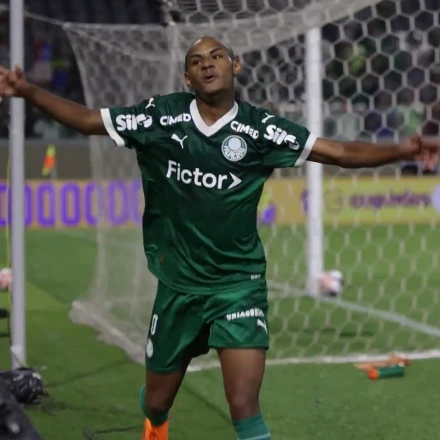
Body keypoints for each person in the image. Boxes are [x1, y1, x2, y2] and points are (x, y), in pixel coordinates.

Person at [0, 36, 438, 440]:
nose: (207, 64)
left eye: (216, 56)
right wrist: (28, 90)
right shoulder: (160, 116)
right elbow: (87, 120)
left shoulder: (261, 130)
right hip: (178, 285)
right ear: (187, 78)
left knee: (244, 405)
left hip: (238, 284)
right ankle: (156, 425)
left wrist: (403, 150)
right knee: (157, 402)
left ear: (235, 65)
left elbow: (338, 152)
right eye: (196, 61)